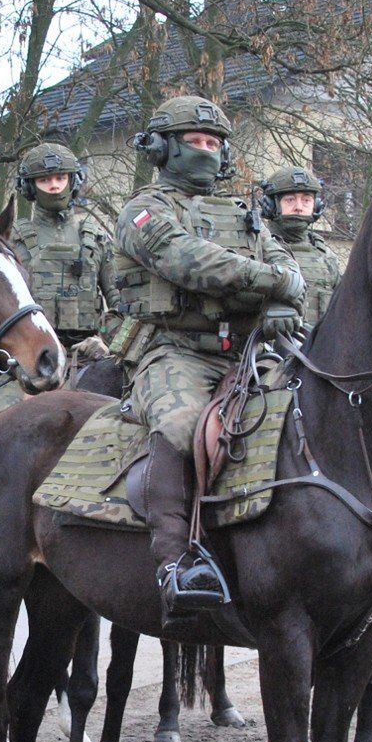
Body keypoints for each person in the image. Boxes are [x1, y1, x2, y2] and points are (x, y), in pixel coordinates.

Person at [108, 96, 307, 623]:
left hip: (247, 352)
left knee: (312, 409)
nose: (205, 151)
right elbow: (187, 261)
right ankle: (176, 563)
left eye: (213, 143)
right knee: (180, 426)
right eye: (193, 141)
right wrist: (271, 283)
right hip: (173, 350)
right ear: (162, 148)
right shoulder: (144, 210)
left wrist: (283, 301)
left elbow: (292, 272)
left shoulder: (246, 217)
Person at [0, 142, 112, 424]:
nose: (54, 186)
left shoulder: (96, 237)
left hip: (89, 357)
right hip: (25, 361)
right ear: (30, 187)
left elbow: (121, 304)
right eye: (45, 180)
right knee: (2, 424)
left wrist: (104, 341)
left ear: (73, 181)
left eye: (61, 178)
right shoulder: (11, 241)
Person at [257, 165, 341, 329]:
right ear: (271, 205)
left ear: (316, 206)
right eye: (290, 200)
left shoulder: (326, 256)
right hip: (266, 343)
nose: (299, 207)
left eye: (306, 200)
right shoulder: (256, 246)